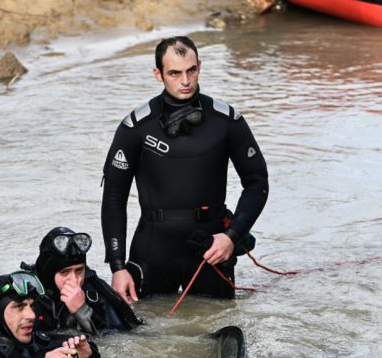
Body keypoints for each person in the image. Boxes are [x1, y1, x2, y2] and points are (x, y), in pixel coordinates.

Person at [101, 35, 270, 302]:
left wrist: (231, 237)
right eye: (175, 73)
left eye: (191, 70)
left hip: (211, 249)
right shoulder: (136, 127)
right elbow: (113, 198)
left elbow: (257, 182)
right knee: (144, 338)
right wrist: (118, 267)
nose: (185, 80)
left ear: (199, 66)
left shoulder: (226, 121)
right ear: (158, 74)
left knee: (216, 328)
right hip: (152, 249)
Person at [22, 226, 142, 336]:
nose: (74, 280)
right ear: (48, 273)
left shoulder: (94, 289)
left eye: (79, 270)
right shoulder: (25, 294)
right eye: (64, 272)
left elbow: (124, 335)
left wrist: (83, 311)